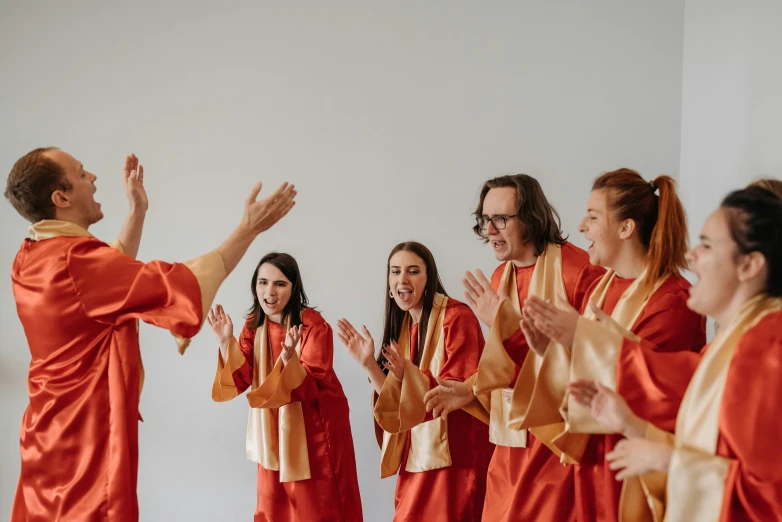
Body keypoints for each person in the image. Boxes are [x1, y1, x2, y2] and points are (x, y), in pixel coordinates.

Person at [5, 147, 295, 521]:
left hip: (47, 433)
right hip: (83, 439)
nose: (92, 177)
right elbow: (177, 286)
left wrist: (137, 212)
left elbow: (110, 275)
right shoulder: (74, 262)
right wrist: (249, 229)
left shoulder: (32, 253)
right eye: (80, 174)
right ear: (60, 198)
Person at [569, 185, 782, 522]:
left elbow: (769, 497)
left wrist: (665, 459)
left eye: (708, 245)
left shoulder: (769, 348)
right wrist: (632, 425)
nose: (691, 255)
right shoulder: (739, 341)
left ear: (750, 265)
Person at [522, 169, 705, 522]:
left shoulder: (673, 298)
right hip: (592, 462)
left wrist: (580, 339)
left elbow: (658, 387)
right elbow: (586, 378)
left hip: (636, 466)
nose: (581, 226)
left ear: (626, 228)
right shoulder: (600, 288)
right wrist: (551, 351)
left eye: (592, 216)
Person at [424, 174, 605, 522]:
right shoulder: (498, 278)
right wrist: (471, 389)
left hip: (557, 441)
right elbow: (505, 362)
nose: (489, 230)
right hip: (509, 443)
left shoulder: (579, 272)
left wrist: (506, 326)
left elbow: (595, 360)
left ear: (532, 218)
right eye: (484, 219)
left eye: (501, 219)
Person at [337, 242, 493, 521]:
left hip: (455, 457)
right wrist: (369, 364)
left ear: (429, 277)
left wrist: (408, 375)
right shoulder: (404, 331)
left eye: (413, 271)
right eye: (395, 272)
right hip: (417, 456)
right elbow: (397, 403)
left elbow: (455, 390)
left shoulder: (457, 317)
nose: (402, 280)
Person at [209, 252, 362, 522]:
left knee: (316, 504)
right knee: (273, 503)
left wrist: (289, 359)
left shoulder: (312, 325)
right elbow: (241, 378)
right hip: (271, 427)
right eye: (263, 282)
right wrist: (225, 343)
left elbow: (313, 381)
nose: (269, 291)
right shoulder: (254, 325)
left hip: (315, 426)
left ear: (294, 288)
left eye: (280, 284)